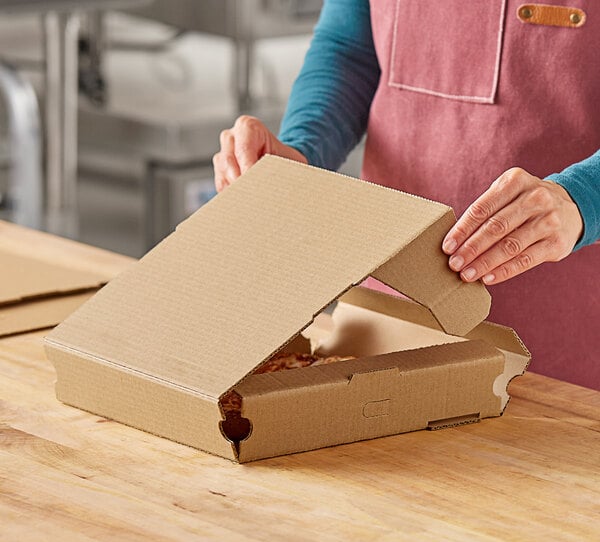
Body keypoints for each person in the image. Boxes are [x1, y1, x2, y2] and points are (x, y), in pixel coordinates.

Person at [213, 0, 600, 389]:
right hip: (387, 317)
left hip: (566, 338)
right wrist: (301, 149)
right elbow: (349, 50)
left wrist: (584, 196)